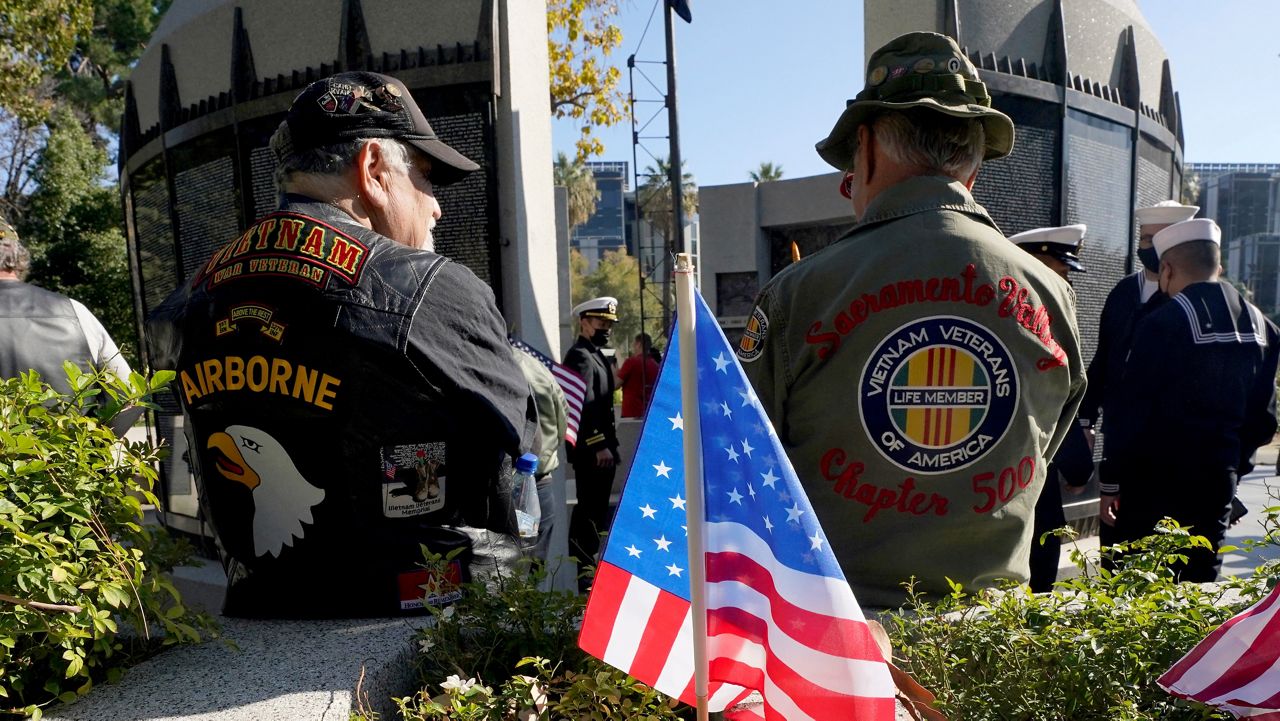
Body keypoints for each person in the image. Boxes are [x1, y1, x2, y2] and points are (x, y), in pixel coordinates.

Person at [147, 71, 535, 618]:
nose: (436, 207)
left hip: (259, 610)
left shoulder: (191, 297)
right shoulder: (429, 287)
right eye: (424, 177)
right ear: (374, 169)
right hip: (423, 624)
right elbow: (525, 444)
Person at [739, 31, 1086, 608]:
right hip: (998, 656)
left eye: (851, 168)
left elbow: (741, 476)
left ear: (868, 147)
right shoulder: (1050, 295)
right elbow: (1041, 453)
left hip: (834, 652)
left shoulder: (799, 295)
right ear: (973, 164)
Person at [1100, 218, 1279, 581]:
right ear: (1218, 265)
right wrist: (1232, 467)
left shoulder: (1162, 322)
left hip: (1152, 481)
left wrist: (1111, 482)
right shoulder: (1264, 327)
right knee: (1198, 589)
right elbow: (1262, 419)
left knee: (1139, 586)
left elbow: (1130, 410)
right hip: (1216, 480)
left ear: (1166, 268)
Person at [1081, 200, 1198, 548]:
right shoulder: (1122, 293)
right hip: (1121, 454)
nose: (1146, 247)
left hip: (1172, 460)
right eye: (1144, 238)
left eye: (1156, 240)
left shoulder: (1191, 302)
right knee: (1117, 562)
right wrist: (1086, 420)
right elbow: (1104, 362)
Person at [1010, 225, 1096, 592]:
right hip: (1016, 481)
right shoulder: (1029, 322)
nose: (1065, 287)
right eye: (1056, 274)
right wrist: (1078, 465)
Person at [0, 219, 142, 434]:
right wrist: (91, 449)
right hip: (66, 463)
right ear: (18, 256)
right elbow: (129, 393)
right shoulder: (75, 311)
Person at [563, 296, 620, 590]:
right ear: (584, 323)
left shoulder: (595, 354)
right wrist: (598, 444)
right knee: (589, 511)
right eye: (601, 323)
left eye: (609, 324)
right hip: (592, 451)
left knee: (596, 512)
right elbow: (582, 404)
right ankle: (583, 571)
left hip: (603, 450)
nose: (606, 328)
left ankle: (588, 566)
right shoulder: (580, 356)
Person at [509, 338, 575, 591]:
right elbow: (563, 419)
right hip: (539, 484)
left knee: (507, 568)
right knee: (534, 565)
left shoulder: (491, 362)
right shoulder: (535, 365)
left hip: (510, 486)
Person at [617, 332, 660, 418]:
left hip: (631, 412)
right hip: (648, 412)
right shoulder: (655, 365)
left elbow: (616, 384)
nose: (633, 347)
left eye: (634, 344)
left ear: (638, 344)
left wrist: (614, 371)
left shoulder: (631, 362)